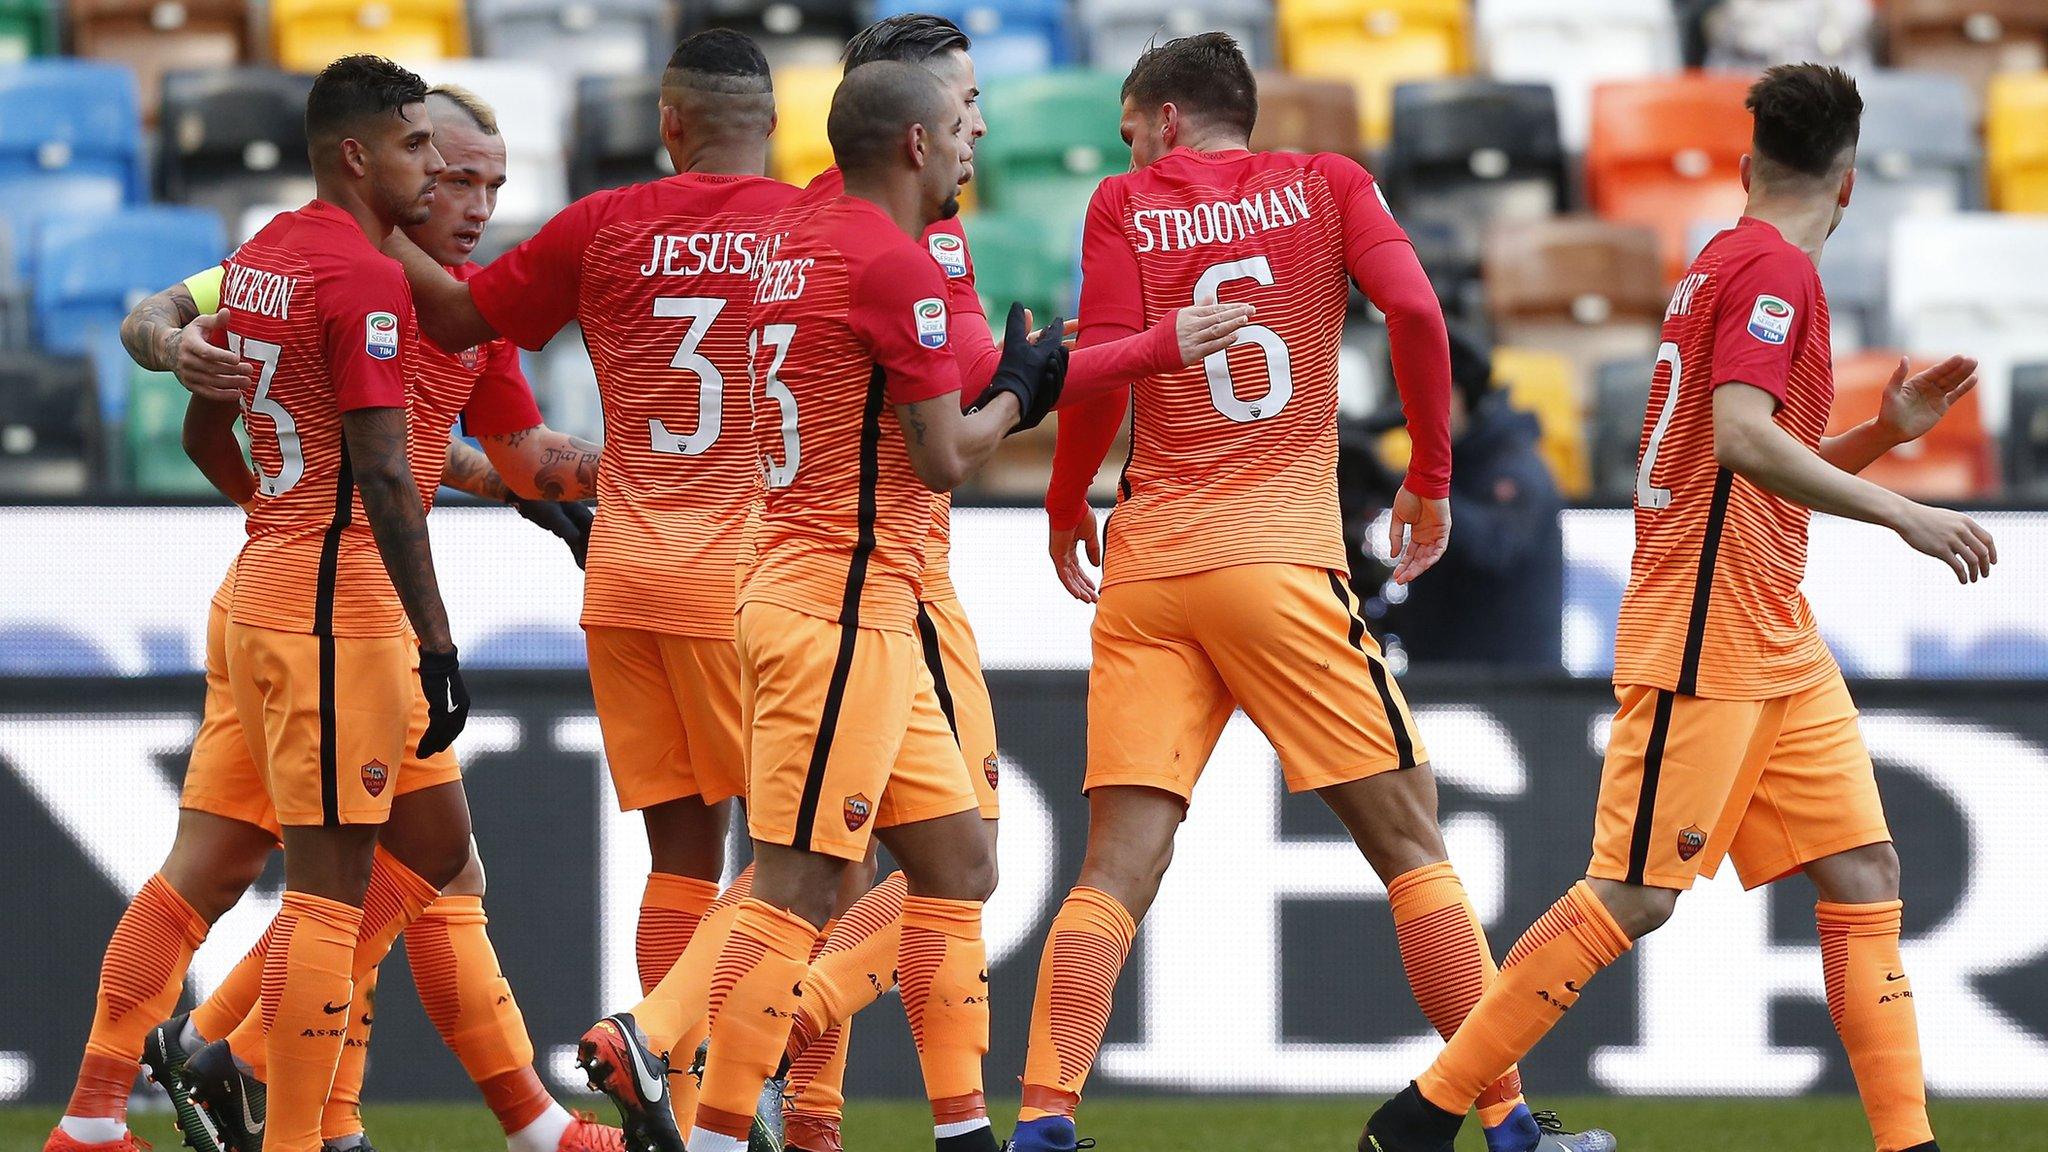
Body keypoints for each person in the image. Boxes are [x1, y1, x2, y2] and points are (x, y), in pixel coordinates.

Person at [1361, 63, 1991, 1152]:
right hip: (1705, 623)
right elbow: (1745, 439)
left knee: (1861, 869)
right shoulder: (1769, 275)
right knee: (1635, 893)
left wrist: (1882, 433)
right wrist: (1901, 511)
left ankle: (1907, 1145)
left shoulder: (1724, 261)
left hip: (1768, 626)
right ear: (1848, 186)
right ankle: (1418, 1120)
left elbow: (1746, 457)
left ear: (1749, 167)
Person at [1018, 33, 1607, 1152]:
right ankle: (1507, 1123)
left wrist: (1063, 503)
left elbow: (1098, 364)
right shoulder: (1327, 185)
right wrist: (1429, 480)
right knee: (1409, 844)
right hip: (1279, 561)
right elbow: (1421, 317)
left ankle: (1043, 1123)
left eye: (1132, 126)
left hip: (1148, 568)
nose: (1126, 146)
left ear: (1168, 119)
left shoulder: (1120, 205)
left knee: (1115, 866)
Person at [79, 68, 614, 1152]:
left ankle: (161, 1102)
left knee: (392, 859)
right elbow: (161, 315)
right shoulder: (354, 275)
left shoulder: (369, 278)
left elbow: (496, 455)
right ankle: (279, 1094)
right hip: (338, 607)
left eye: (488, 182)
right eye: (445, 167)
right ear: (383, 158)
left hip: (289, 591)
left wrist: (562, 492)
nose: (466, 198)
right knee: (349, 882)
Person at [762, 17, 1252, 1152]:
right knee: (956, 859)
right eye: (969, 101)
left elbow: (987, 370)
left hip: (785, 565)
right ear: (915, 123)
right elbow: (991, 390)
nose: (985, 123)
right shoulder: (907, 244)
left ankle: (826, 1118)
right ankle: (794, 1031)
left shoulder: (801, 222)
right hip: (887, 581)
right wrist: (1153, 348)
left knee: (848, 870)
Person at [388, 30, 801, 1149]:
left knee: (683, 854)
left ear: (667, 125)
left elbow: (467, 331)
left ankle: (680, 1081)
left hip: (624, 572)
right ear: (772, 125)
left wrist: (358, 226)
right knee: (802, 853)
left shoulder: (598, 226)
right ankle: (707, 1067)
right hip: (745, 576)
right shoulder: (811, 228)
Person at [662, 60, 1063, 1152]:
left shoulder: (791, 242)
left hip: (843, 596)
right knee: (794, 884)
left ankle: (961, 1130)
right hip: (834, 605)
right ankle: (714, 1130)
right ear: (915, 145)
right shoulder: (890, 264)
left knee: (958, 863)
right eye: (959, 127)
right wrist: (1023, 391)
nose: (974, 145)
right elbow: (942, 458)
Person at [1391, 326, 1564, 669]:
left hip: (1512, 692)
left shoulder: (1515, 464)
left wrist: (1414, 489)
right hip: (1445, 681)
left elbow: (1497, 546)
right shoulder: (1450, 459)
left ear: (1455, 394)